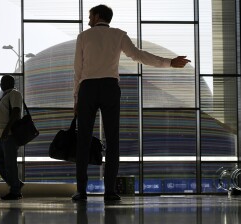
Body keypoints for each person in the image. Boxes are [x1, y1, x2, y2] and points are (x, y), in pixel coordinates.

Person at [73, 4, 191, 202]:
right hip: (110, 87)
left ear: (96, 16)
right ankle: (109, 191)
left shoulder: (83, 37)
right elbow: (139, 56)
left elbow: (78, 69)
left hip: (88, 88)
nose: (88, 19)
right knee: (112, 141)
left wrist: (76, 98)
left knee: (83, 140)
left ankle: (81, 191)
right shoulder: (119, 35)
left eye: (90, 15)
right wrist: (169, 62)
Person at [0, 75, 24, 200]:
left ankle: (15, 191)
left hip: (9, 135)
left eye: (3, 81)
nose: (1, 83)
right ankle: (16, 184)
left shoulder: (14, 93)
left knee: (10, 163)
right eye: (0, 81)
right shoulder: (4, 96)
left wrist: (6, 130)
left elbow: (16, 112)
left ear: (10, 82)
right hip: (2, 136)